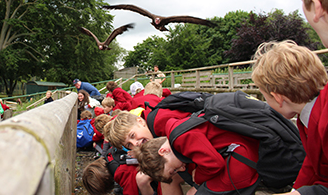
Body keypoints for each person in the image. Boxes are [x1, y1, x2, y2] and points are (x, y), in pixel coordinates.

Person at [105, 111, 261, 195]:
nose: (136, 144)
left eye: (133, 136)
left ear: (140, 121)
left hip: (239, 154)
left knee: (171, 180)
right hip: (228, 153)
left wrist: (198, 180)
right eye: (129, 145)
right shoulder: (159, 134)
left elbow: (209, 160)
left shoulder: (164, 125)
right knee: (167, 177)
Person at [252, 40, 328, 195]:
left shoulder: (325, 123)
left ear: (278, 98)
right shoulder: (311, 115)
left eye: (266, 98)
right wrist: (296, 190)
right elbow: (312, 163)